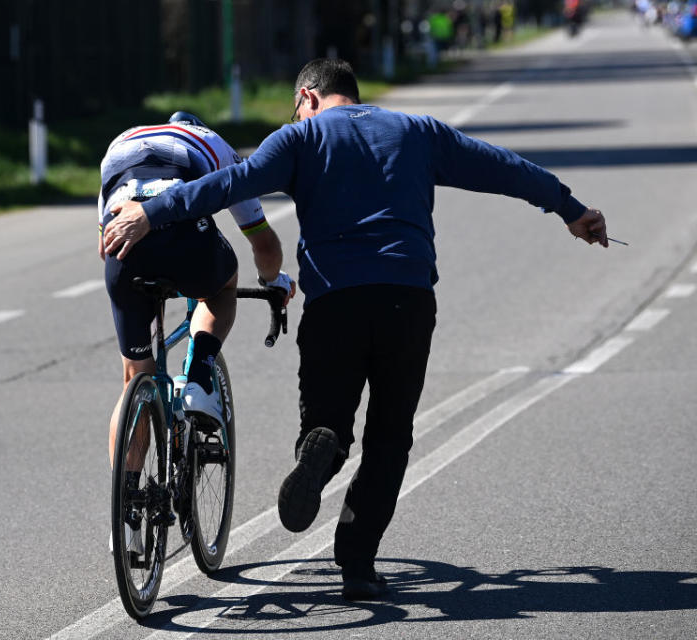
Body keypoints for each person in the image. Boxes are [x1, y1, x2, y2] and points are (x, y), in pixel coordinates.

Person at [102, 59, 609, 599]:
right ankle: (359, 565)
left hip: (334, 304)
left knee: (329, 423)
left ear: (308, 96)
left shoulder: (301, 137)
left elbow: (229, 184)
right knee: (390, 437)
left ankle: (321, 447)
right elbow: (502, 168)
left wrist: (152, 213)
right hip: (407, 299)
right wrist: (570, 208)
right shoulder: (419, 131)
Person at [98, 111, 295, 551]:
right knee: (222, 286)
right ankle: (201, 371)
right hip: (187, 242)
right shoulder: (214, 144)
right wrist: (274, 281)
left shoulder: (120, 141)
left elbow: (105, 237)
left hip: (124, 248)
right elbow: (263, 242)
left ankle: (124, 517)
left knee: (135, 377)